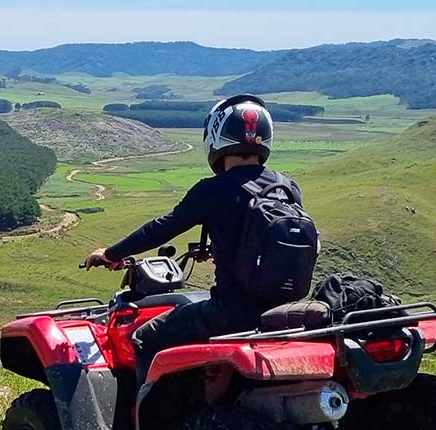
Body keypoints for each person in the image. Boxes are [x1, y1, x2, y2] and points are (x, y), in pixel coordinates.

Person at [83, 94, 308, 388]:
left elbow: (161, 229)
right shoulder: (287, 187)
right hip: (284, 312)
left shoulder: (212, 190)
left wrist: (112, 253)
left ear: (216, 136)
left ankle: (147, 424)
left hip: (230, 313)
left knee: (144, 337)